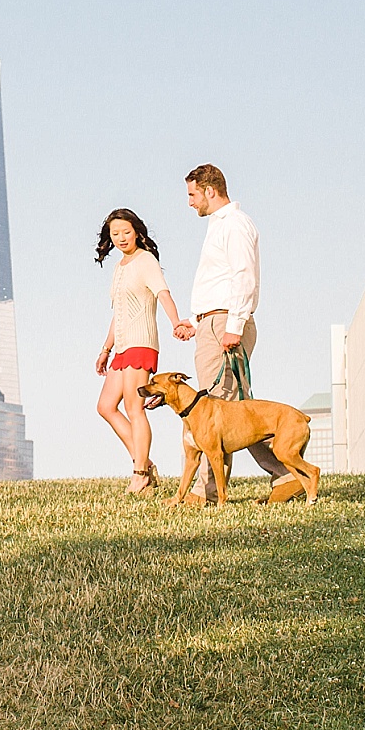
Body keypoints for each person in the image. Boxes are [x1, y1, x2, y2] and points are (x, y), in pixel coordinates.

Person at [172, 164, 303, 505]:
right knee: (235, 410)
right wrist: (194, 320)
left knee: (214, 410)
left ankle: (207, 492)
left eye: (191, 194)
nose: (189, 203)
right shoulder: (219, 226)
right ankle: (285, 475)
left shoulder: (236, 225)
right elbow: (218, 283)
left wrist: (233, 327)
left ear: (209, 191)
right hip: (212, 322)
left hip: (225, 325)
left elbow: (244, 277)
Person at [95, 208, 189, 494]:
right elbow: (119, 313)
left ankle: (140, 473)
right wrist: (105, 349)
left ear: (136, 231)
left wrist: (176, 322)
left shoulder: (146, 260)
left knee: (134, 408)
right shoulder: (120, 267)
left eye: (126, 231)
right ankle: (145, 464)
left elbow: (163, 293)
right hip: (122, 346)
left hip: (141, 342)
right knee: (106, 406)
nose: (121, 238)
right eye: (115, 234)